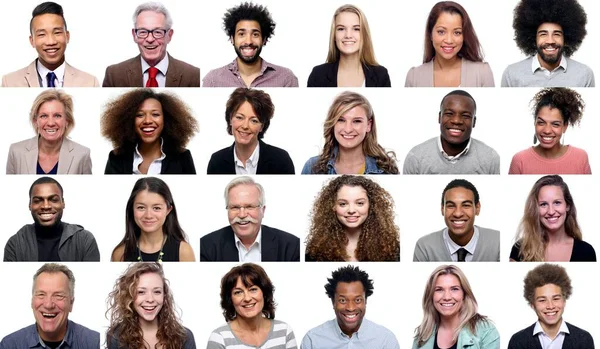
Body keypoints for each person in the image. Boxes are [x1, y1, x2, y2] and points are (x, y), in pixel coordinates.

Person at [200, 176, 300, 262]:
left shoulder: (290, 246)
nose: (242, 214)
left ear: (263, 210)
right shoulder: (206, 246)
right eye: (235, 207)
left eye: (249, 206)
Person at [0, 263, 99, 348]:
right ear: (32, 301)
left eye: (59, 296)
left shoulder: (94, 343)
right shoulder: (10, 345)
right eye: (41, 294)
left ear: (71, 303)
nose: (48, 304)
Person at [101, 88, 198, 174]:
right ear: (129, 120)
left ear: (166, 119)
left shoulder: (182, 157)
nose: (147, 121)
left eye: (155, 114)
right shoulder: (116, 157)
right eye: (140, 115)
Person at [1, 2, 99, 87]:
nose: (51, 42)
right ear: (32, 41)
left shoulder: (90, 82)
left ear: (67, 36)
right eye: (42, 34)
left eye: (57, 32)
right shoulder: (9, 82)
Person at [103, 2, 200, 87]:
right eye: (143, 32)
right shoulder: (114, 75)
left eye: (158, 32)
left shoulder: (193, 76)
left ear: (169, 36)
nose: (150, 39)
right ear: (134, 35)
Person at [301, 265, 400, 349]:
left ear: (365, 301)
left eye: (357, 300)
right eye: (343, 300)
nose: (350, 308)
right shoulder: (312, 341)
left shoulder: (386, 341)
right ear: (333, 302)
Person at [202, 2, 298, 87]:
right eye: (241, 34)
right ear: (232, 39)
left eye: (255, 34)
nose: (248, 41)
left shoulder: (286, 79)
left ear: (264, 39)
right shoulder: (213, 80)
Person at [403, 90, 500, 174]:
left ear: (474, 122)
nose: (456, 121)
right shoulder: (416, 157)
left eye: (465, 116)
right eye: (449, 114)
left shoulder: (490, 158)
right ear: (439, 117)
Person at [4, 177, 100, 261]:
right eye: (38, 201)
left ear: (63, 203)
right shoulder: (15, 244)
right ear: (30, 205)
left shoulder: (84, 240)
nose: (46, 206)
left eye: (53, 200)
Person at [305, 175, 399, 261]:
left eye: (360, 203)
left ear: (371, 205)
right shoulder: (316, 249)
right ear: (333, 206)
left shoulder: (391, 248)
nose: (351, 210)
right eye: (343, 204)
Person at [501, 0, 594, 87]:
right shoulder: (512, 74)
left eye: (557, 34)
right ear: (534, 38)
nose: (550, 40)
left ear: (566, 38)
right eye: (543, 34)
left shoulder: (584, 75)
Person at [302, 91, 398, 174]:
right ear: (333, 123)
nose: (348, 129)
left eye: (357, 121)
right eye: (341, 120)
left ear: (368, 125)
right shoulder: (311, 167)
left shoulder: (387, 170)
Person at [106, 262, 196, 349]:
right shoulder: (116, 336)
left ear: (164, 296)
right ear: (129, 296)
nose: (150, 299)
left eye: (157, 292)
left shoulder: (184, 336)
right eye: (141, 292)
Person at [207, 263, 297, 349]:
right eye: (238, 292)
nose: (247, 298)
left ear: (264, 293)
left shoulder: (284, 331)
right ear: (230, 299)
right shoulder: (219, 338)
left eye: (253, 289)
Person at [405, 1, 494, 87]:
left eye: (457, 33)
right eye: (441, 32)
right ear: (430, 34)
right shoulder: (414, 77)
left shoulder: (482, 73)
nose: (449, 40)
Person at [207, 88, 295, 174]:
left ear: (262, 126)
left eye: (254, 120)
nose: (245, 126)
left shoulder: (281, 160)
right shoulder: (216, 161)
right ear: (230, 119)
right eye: (239, 117)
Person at [510, 175, 596, 262]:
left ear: (568, 206)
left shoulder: (587, 251)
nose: (551, 212)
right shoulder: (520, 248)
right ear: (535, 209)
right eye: (543, 204)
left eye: (557, 202)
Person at [508, 264, 595, 349]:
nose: (550, 306)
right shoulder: (518, 341)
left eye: (556, 299)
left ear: (564, 301)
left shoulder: (584, 339)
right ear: (532, 305)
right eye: (542, 300)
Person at [6, 90, 91, 175]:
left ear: (67, 121)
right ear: (36, 121)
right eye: (44, 116)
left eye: (57, 116)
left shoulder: (82, 154)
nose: (50, 123)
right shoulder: (16, 151)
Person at [413, 265, 500, 349]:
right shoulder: (423, 334)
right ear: (431, 296)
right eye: (439, 289)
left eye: (454, 289)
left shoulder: (486, 331)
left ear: (464, 294)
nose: (447, 297)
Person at [111, 177, 195, 262]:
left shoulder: (184, 251)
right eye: (141, 207)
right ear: (132, 209)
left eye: (157, 208)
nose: (148, 215)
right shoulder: (120, 253)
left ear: (168, 210)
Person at [413, 179, 500, 262]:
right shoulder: (425, 246)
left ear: (477, 208)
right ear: (442, 209)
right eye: (451, 206)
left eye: (466, 205)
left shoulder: (498, 241)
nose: (458, 214)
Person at [509, 88, 591, 174]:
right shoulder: (519, 160)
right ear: (535, 123)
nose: (547, 130)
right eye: (541, 122)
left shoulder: (580, 157)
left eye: (555, 124)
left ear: (565, 127)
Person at [307, 5, 390, 87]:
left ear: (364, 35)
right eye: (341, 29)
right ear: (334, 36)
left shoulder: (381, 75)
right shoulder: (318, 74)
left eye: (356, 29)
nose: (348, 35)